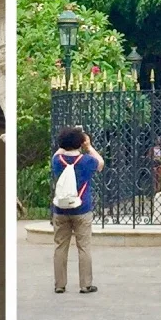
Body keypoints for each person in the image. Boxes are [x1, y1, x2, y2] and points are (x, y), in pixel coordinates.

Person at [51, 126, 104, 294]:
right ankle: (85, 284)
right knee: (84, 247)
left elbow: (56, 153)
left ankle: (60, 284)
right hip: (82, 208)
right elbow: (101, 163)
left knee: (60, 246)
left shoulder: (57, 161)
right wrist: (88, 147)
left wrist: (65, 141)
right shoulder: (87, 161)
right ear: (81, 142)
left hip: (60, 210)